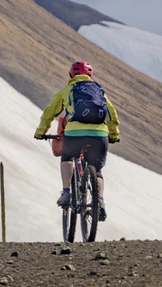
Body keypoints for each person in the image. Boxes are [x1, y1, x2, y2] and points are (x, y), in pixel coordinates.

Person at [34, 61, 119, 221]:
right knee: (97, 170)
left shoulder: (67, 90)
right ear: (90, 76)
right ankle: (99, 201)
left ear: (71, 75)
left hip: (74, 134)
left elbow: (49, 112)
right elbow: (112, 114)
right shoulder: (99, 91)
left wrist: (41, 132)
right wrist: (113, 135)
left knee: (67, 157)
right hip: (99, 135)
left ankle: (66, 193)